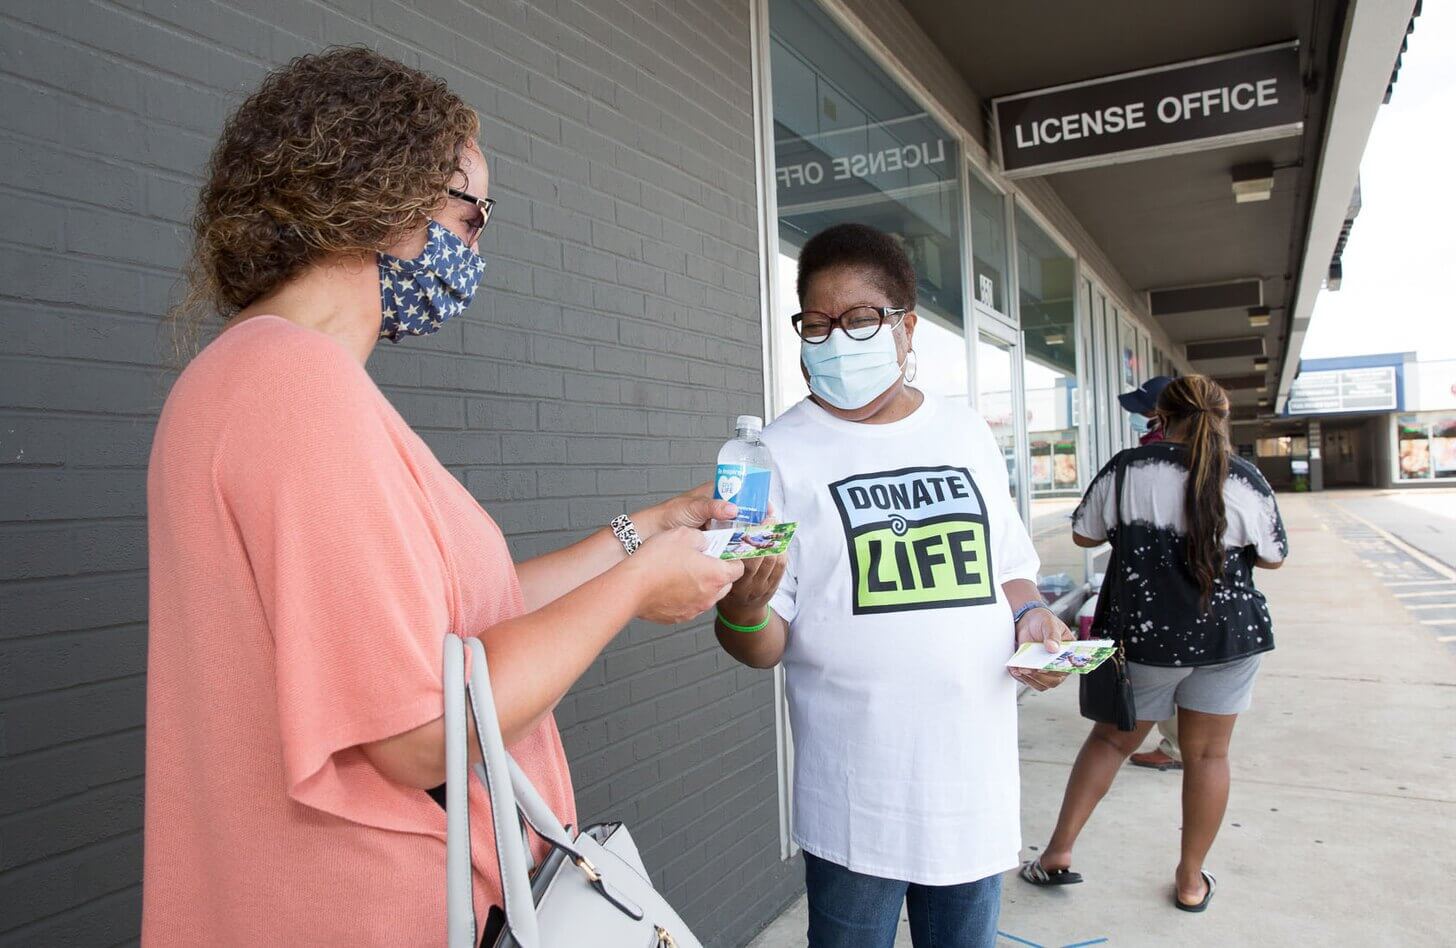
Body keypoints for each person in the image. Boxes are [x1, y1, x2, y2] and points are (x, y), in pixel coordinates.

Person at [143, 48, 745, 944]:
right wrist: (636, 588)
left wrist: (641, 535)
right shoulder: (297, 392)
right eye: (474, 214)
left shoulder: (253, 376)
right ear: (382, 195)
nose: (475, 247)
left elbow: (456, 633)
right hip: (373, 910)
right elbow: (423, 731)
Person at [714, 223, 1074, 948]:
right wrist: (744, 605)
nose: (835, 340)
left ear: (907, 329)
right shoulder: (775, 457)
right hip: (856, 800)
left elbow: (1010, 568)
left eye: (858, 320)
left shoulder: (965, 431)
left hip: (972, 787)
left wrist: (1034, 618)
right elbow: (757, 645)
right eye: (816, 325)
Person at [1020, 375, 1288, 912]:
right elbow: (1273, 556)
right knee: (1209, 756)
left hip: (1145, 638)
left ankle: (1057, 855)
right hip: (1228, 638)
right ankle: (1191, 882)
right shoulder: (1247, 478)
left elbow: (1084, 534)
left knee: (1111, 741)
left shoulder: (1129, 469)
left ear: (1160, 419)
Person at [1117, 376, 1181, 771]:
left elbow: (1087, 531)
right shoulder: (1205, 452)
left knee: (1167, 669)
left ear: (1163, 413)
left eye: (1146, 408)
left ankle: (1176, 748)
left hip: (1162, 578)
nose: (1141, 416)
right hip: (1181, 579)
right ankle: (1180, 745)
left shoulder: (1157, 455)